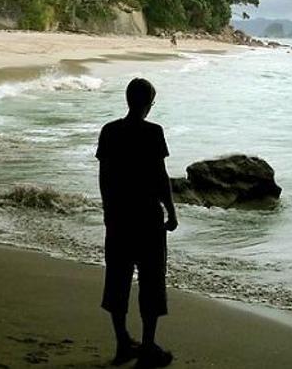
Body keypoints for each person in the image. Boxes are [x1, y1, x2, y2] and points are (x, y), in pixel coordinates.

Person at [96, 78, 178, 367]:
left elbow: (104, 177)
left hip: (118, 216)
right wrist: (171, 210)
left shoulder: (109, 131)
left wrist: (108, 211)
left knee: (117, 281)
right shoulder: (153, 133)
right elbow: (160, 176)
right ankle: (147, 345)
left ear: (128, 100)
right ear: (149, 104)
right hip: (146, 217)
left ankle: (122, 342)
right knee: (151, 282)